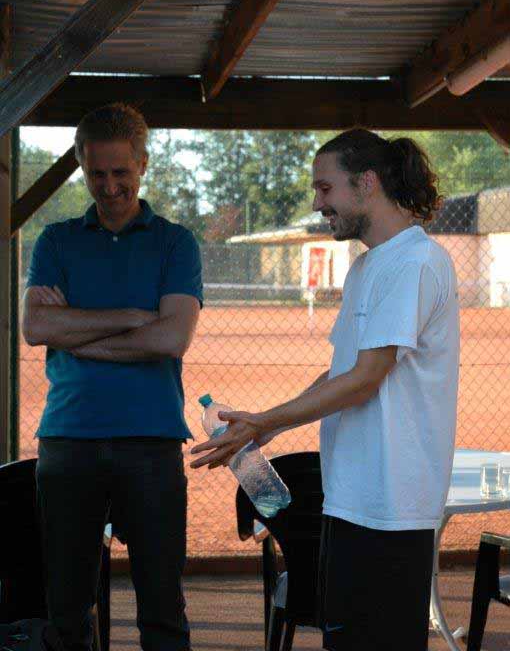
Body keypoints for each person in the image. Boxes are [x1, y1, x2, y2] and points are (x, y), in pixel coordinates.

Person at [190, 128, 460, 651]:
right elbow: (343, 369)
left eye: (325, 188)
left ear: (367, 183)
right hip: (351, 497)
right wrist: (264, 424)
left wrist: (266, 421)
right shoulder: (368, 266)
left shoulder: (416, 262)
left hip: (393, 506)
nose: (317, 204)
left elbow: (366, 378)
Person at [22, 103, 202, 651]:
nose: (109, 186)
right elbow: (35, 327)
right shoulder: (56, 240)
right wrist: (130, 316)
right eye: (96, 173)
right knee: (66, 609)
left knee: (162, 607)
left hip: (151, 442)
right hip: (68, 440)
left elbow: (171, 338)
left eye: (121, 171)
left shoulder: (175, 242)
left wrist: (74, 332)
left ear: (143, 164)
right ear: (82, 166)